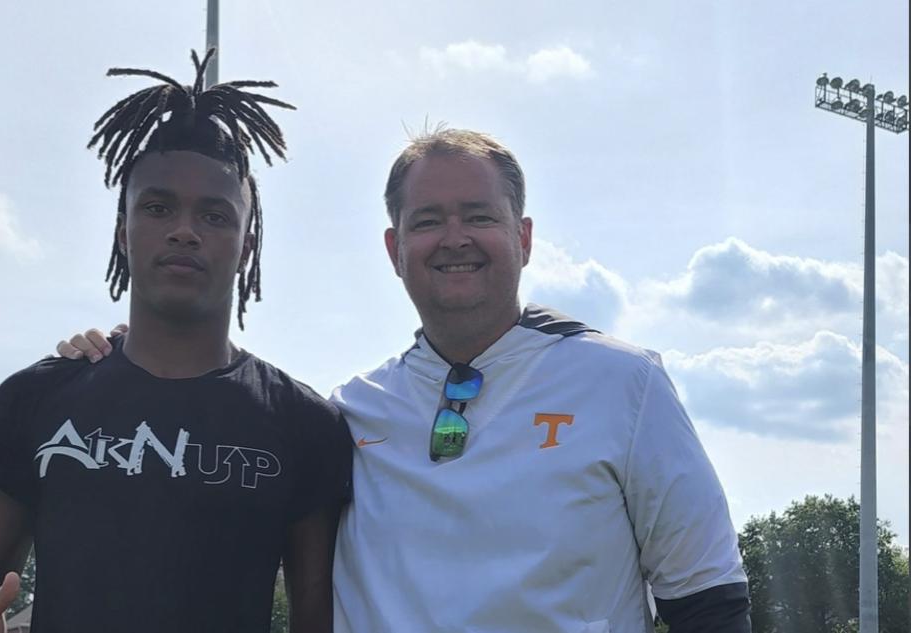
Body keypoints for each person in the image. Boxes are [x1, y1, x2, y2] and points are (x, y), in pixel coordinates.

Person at [60, 128, 751, 632]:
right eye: (427, 221)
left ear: (525, 237)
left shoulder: (625, 386)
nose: (454, 238)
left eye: (479, 216)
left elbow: (711, 605)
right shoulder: (347, 413)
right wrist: (116, 360)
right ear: (394, 250)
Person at [0, 50, 352, 633]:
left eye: (216, 215)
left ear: (247, 245)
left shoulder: (305, 424)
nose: (184, 229)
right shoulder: (35, 398)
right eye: (157, 207)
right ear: (122, 231)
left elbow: (317, 619)